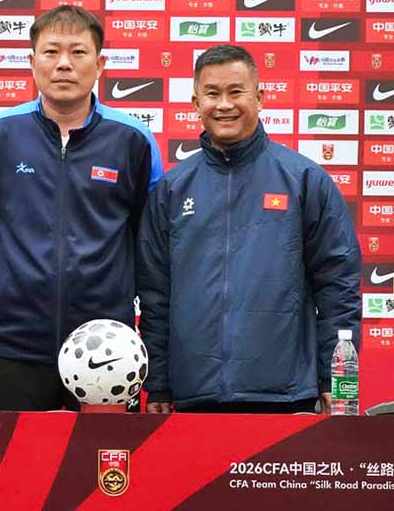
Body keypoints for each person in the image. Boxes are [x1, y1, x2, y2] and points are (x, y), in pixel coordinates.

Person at [137, 44, 362, 414]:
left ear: (259, 97)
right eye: (212, 94)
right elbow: (155, 296)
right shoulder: (172, 191)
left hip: (287, 398)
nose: (224, 104)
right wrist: (158, 386)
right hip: (192, 399)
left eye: (235, 91)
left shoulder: (305, 181)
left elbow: (339, 290)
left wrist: (336, 383)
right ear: (195, 103)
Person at [0, 5, 163, 411]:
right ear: (32, 61)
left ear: (101, 63)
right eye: (51, 52)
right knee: (16, 468)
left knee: (102, 468)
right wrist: (13, 279)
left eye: (78, 52)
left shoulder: (133, 140)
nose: (64, 64)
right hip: (17, 344)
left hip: (108, 350)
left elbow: (151, 238)